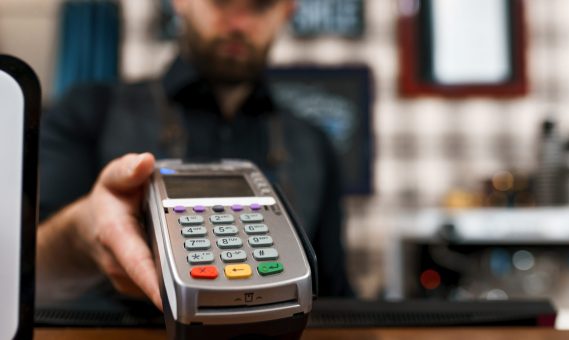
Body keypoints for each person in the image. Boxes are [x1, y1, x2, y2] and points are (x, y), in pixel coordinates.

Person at [37, 0, 353, 311]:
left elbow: (336, 298)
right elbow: (26, 266)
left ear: (287, 9)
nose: (238, 23)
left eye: (260, 5)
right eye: (221, 1)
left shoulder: (315, 144)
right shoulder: (87, 111)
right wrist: (82, 230)